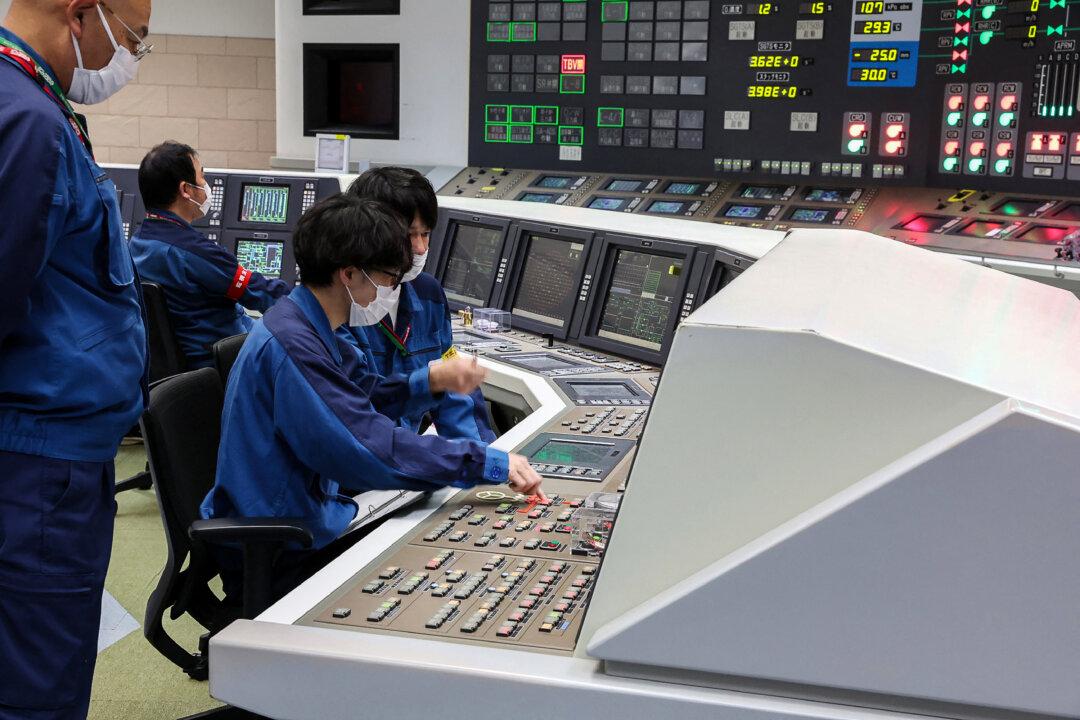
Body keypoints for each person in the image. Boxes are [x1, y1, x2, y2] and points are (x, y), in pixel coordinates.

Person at [200, 194, 545, 599]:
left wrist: (429, 381)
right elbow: (370, 446)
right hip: (282, 545)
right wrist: (481, 460)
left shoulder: (307, 322)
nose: (391, 291)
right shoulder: (295, 345)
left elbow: (365, 395)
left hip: (307, 513)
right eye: (387, 279)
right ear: (349, 274)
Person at [0, 0, 152, 717]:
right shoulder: (28, 123)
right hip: (37, 472)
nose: (127, 54)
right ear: (80, 11)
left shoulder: (33, 108)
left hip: (50, 461)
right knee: (39, 690)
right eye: (133, 36)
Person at [344, 167, 497, 442]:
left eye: (425, 234)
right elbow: (356, 407)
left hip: (407, 461)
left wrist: (480, 460)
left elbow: (453, 392)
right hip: (361, 471)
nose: (420, 249)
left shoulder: (428, 293)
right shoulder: (342, 302)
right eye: (409, 235)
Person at [130, 142, 290, 369]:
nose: (206, 185)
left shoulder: (135, 245)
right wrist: (313, 301)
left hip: (176, 368)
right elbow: (261, 293)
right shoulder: (195, 252)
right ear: (186, 189)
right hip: (221, 364)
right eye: (202, 176)